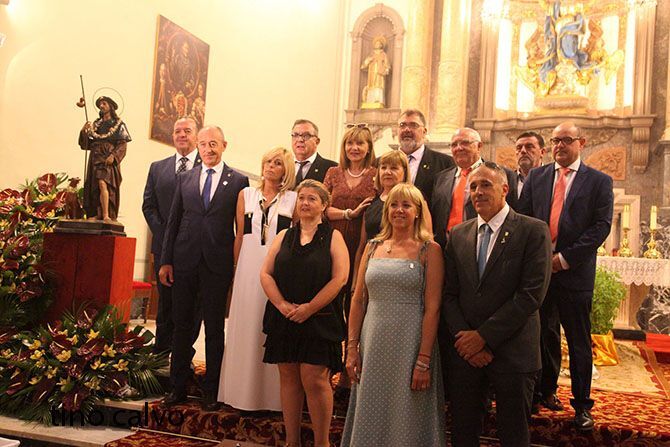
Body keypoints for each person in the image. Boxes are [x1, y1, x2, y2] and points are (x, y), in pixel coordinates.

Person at [443, 162, 552, 447]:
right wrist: (465, 341)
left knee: (513, 436)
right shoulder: (459, 234)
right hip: (466, 354)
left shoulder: (533, 231)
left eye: (485, 185)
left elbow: (531, 295)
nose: (478, 192)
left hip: (513, 352)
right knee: (463, 434)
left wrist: (483, 337)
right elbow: (449, 295)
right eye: (473, 187)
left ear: (504, 189)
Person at [518, 121, 613, 431]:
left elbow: (600, 227)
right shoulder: (537, 177)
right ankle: (539, 394)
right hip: (540, 274)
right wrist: (537, 259)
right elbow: (523, 219)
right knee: (539, 337)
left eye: (566, 140)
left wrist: (564, 259)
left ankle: (582, 406)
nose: (559, 145)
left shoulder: (598, 181)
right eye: (555, 140)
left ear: (581, 143)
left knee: (578, 342)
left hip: (574, 274)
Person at [342, 183, 445, 446]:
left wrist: (423, 360)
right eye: (394, 205)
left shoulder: (429, 249)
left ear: (418, 211)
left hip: (410, 344)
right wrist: (352, 348)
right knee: (371, 407)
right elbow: (358, 300)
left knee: (406, 411)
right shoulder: (372, 246)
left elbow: (433, 308)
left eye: (406, 205)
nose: (399, 210)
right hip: (373, 343)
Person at [159, 125, 249, 411]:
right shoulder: (185, 178)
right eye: (203, 144)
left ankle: (212, 390)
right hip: (184, 261)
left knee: (214, 329)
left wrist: (238, 265)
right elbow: (173, 221)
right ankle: (177, 387)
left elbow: (241, 228)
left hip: (217, 264)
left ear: (224, 145)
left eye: (213, 144)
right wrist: (166, 260)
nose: (208, 149)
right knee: (181, 327)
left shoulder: (239, 181)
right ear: (197, 146)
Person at [260, 180, 349, 447]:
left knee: (315, 379)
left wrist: (310, 308)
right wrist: (281, 304)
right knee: (289, 378)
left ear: (324, 205)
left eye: (312, 198)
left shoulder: (333, 237)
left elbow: (340, 278)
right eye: (301, 198)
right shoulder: (283, 236)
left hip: (319, 319)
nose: (305, 203)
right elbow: (266, 273)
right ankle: (292, 442)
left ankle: (322, 443)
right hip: (285, 316)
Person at [218, 147, 297, 411]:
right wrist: (235, 269)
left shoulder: (293, 200)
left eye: (277, 163)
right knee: (245, 327)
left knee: (269, 328)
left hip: (277, 271)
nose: (270, 166)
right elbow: (240, 235)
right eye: (268, 161)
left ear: (286, 170)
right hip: (247, 268)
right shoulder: (246, 195)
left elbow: (294, 240)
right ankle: (240, 395)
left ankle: (270, 399)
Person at [142, 117, 202, 355]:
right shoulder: (158, 168)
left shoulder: (207, 168)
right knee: (165, 304)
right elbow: (149, 206)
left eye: (187, 131)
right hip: (163, 248)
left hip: (194, 249)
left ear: (197, 135)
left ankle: (183, 355)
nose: (182, 135)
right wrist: (167, 236)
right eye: (178, 131)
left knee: (191, 306)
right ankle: (161, 354)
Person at [431, 127, 518, 249]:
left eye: (465, 143)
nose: (459, 148)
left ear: (479, 146)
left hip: (484, 247)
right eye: (454, 145)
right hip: (445, 249)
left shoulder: (503, 175)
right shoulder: (441, 178)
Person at [352, 149, 411, 284]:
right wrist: (355, 282)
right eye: (383, 168)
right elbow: (362, 246)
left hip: (401, 270)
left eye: (394, 168)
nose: (387, 172)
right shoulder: (371, 203)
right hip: (371, 270)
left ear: (404, 172)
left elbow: (425, 239)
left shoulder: (414, 201)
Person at [78, 96, 131, 221]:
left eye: (104, 103)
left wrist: (114, 155)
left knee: (104, 183)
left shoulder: (118, 124)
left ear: (110, 106)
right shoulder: (96, 125)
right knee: (95, 186)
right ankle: (98, 213)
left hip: (107, 156)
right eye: (100, 104)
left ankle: (107, 214)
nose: (101, 106)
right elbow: (87, 144)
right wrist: (83, 131)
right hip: (95, 157)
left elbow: (122, 144)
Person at [396, 109, 454, 206]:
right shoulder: (380, 163)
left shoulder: (445, 163)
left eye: (413, 125)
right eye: (402, 125)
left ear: (424, 131)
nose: (407, 129)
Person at [291, 119, 337, 185]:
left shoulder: (332, 168)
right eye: (296, 135)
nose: (300, 139)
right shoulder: (283, 167)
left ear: (317, 141)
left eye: (306, 136)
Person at [360, 35, 390, 108]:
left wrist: (386, 69)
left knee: (378, 87)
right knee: (371, 87)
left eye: (379, 43)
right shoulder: (371, 54)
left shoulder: (383, 55)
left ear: (381, 45)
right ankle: (370, 101)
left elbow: (387, 65)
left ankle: (378, 100)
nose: (378, 44)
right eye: (376, 43)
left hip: (380, 74)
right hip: (372, 74)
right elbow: (363, 66)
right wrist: (368, 60)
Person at [515, 131, 546, 198]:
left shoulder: (552, 178)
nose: (523, 151)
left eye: (529, 147)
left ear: (542, 152)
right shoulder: (508, 180)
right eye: (519, 148)